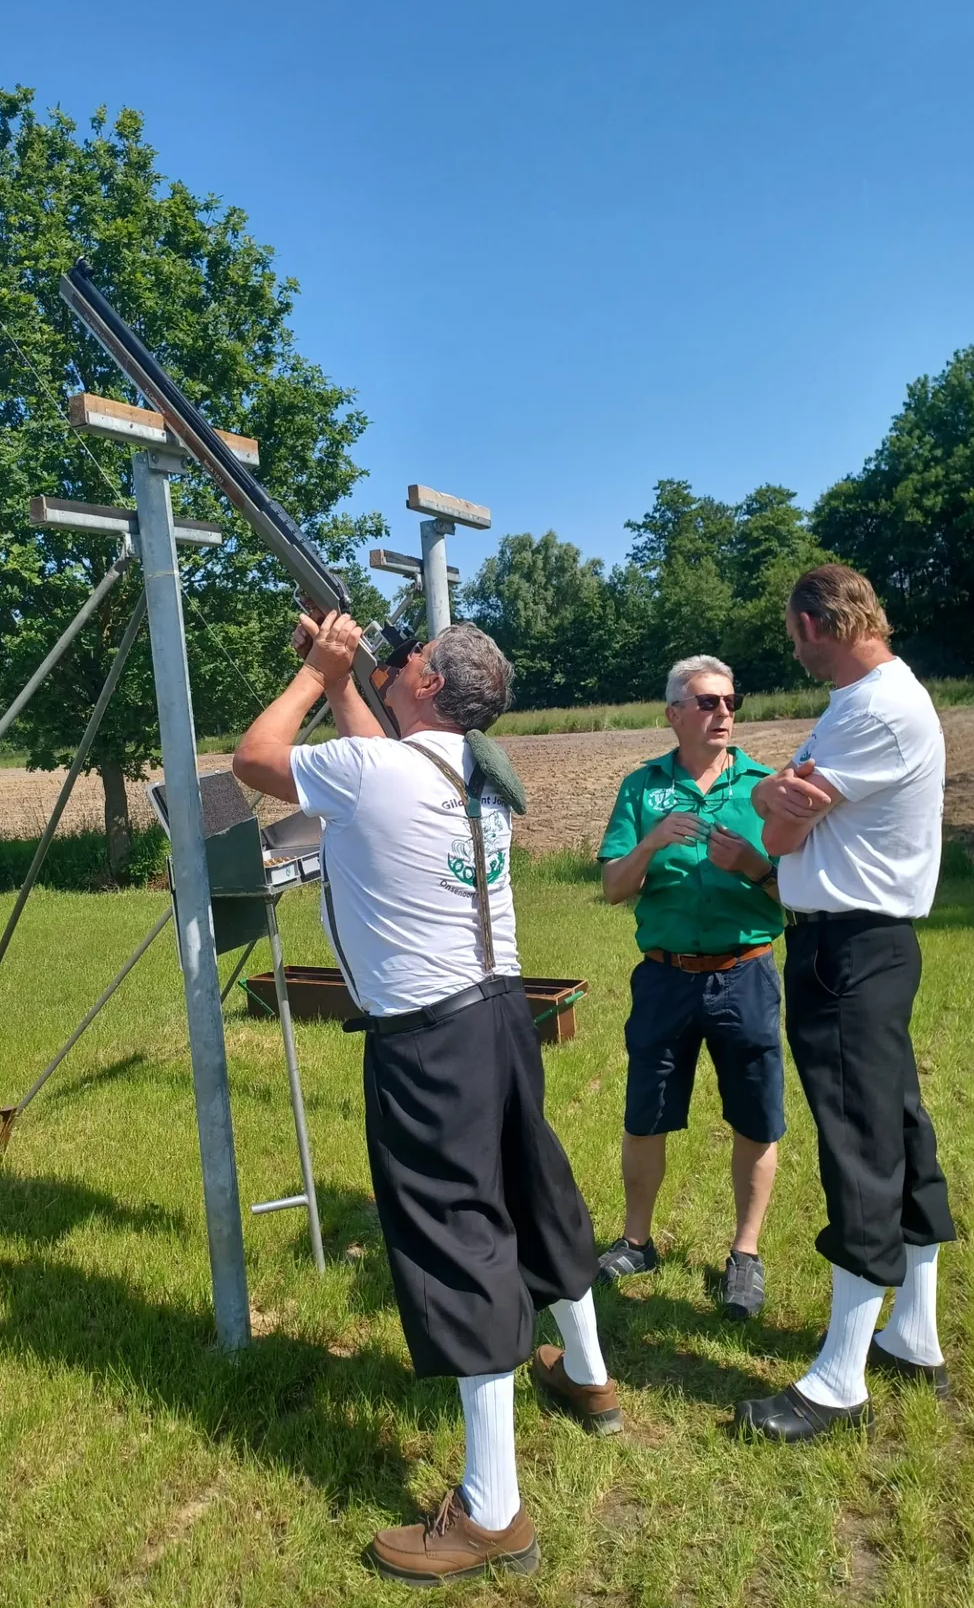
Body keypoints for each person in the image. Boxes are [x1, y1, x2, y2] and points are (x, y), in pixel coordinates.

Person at [233, 613, 617, 1587]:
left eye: (403, 661)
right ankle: (586, 1371)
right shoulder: (462, 772)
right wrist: (337, 678)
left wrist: (318, 673)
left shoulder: (385, 772)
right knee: (531, 1194)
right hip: (496, 1015)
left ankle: (490, 1509)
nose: (392, 667)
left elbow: (255, 758)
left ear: (430, 688)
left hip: (425, 1037)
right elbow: (373, 753)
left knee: (456, 1242)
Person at [736, 564, 954, 1442]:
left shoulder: (869, 707)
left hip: (845, 949)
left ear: (822, 622)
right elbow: (779, 802)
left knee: (859, 1141)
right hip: (872, 945)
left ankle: (839, 1378)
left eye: (797, 636)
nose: (797, 653)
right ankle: (913, 1333)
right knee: (896, 1126)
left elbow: (782, 829)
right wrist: (766, 790)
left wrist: (769, 800)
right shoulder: (884, 699)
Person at [596, 655, 785, 1319]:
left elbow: (797, 894)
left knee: (756, 1116)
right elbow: (613, 888)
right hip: (666, 977)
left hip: (747, 973)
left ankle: (745, 1254)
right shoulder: (642, 787)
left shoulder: (767, 787)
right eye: (708, 702)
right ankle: (637, 1241)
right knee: (646, 1111)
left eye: (731, 701)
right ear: (674, 713)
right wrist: (647, 845)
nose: (724, 713)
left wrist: (754, 862)